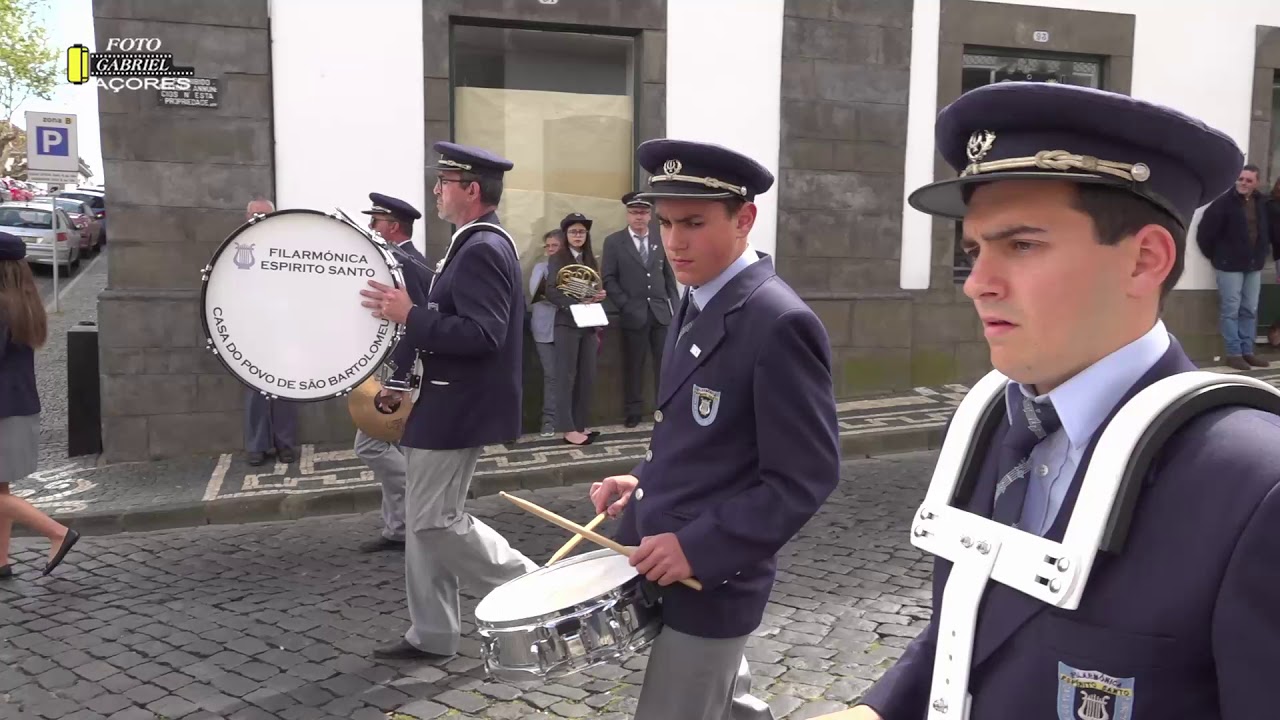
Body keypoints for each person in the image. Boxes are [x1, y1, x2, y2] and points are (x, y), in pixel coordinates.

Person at [834, 82, 1280, 719]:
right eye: (973, 251)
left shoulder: (1258, 487)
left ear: (1145, 260)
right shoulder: (992, 424)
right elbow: (972, 631)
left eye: (1021, 245)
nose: (978, 285)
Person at [588, 139, 841, 720]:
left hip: (712, 581)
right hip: (667, 560)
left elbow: (804, 477)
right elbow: (702, 435)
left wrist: (697, 547)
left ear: (744, 218)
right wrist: (643, 482)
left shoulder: (777, 321)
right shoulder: (699, 296)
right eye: (667, 222)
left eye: (695, 223)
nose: (674, 241)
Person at [358, 142, 537, 661]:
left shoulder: (483, 247)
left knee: (436, 519)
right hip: (441, 402)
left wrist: (408, 313)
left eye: (445, 183)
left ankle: (535, 590)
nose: (436, 191)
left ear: (471, 190)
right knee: (421, 520)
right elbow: (447, 322)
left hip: (459, 408)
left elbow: (484, 334)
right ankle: (432, 633)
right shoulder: (468, 242)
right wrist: (404, 379)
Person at [352, 192, 431, 553]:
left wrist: (397, 380)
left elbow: (411, 324)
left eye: (377, 221)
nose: (371, 226)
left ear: (394, 226)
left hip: (402, 369)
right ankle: (399, 529)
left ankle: (423, 491)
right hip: (394, 366)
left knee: (369, 443)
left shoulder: (404, 263)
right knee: (390, 443)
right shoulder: (400, 260)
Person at [0, 232, 80, 578]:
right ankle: (1, 561)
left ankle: (58, 533)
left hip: (3, 411)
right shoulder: (24, 302)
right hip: (18, 407)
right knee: (1, 489)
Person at [601, 191, 677, 427]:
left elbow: (669, 278)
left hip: (660, 313)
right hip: (633, 315)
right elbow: (609, 278)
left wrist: (676, 310)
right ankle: (633, 410)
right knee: (633, 365)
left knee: (664, 365)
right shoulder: (614, 242)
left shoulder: (660, 238)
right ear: (627, 215)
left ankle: (666, 408)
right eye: (634, 212)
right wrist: (625, 304)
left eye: (643, 212)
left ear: (650, 215)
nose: (639, 217)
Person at [1196, 164, 1272, 370]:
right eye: (1241, 179)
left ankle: (1248, 351)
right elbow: (1204, 234)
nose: (1243, 183)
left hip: (1254, 265)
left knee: (1250, 309)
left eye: (1248, 180)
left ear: (1257, 183)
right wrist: (1218, 257)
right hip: (1229, 267)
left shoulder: (1262, 203)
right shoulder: (1223, 204)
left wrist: (1263, 253)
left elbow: (1268, 230)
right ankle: (1234, 353)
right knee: (1231, 309)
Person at [241, 197, 299, 466]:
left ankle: (284, 443)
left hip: (282, 329)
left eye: (264, 215)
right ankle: (257, 445)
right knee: (256, 392)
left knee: (284, 390)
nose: (259, 220)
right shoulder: (237, 246)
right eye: (255, 215)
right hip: (252, 331)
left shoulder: (283, 247)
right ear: (247, 216)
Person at [546, 212, 608, 446]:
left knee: (587, 376)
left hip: (589, 324)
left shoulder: (591, 259)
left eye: (582, 232)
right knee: (566, 376)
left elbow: (594, 288)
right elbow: (551, 291)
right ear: (566, 235)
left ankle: (580, 424)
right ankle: (568, 428)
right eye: (573, 232)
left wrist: (598, 295)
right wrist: (576, 304)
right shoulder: (557, 259)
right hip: (567, 324)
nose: (578, 235)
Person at [528, 229, 564, 436]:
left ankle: (567, 420)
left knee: (568, 375)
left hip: (568, 328)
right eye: (547, 246)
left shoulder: (572, 268)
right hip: (544, 330)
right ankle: (549, 421)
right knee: (551, 376)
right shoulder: (540, 268)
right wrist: (566, 298)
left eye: (554, 246)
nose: (550, 250)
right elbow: (539, 293)